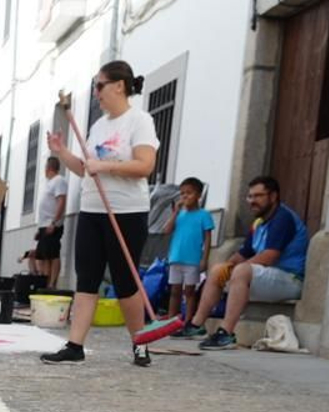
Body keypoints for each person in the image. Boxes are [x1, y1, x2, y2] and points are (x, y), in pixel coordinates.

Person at [41, 61, 159, 366]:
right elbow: (84, 169)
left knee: (125, 282)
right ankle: (75, 345)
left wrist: (105, 166)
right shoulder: (98, 126)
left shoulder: (139, 121)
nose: (95, 93)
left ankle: (140, 343)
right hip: (92, 210)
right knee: (87, 277)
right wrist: (61, 152)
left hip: (127, 211)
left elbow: (145, 165)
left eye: (99, 85)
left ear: (119, 86)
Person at [189, 175, 309, 351]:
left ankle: (226, 334)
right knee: (217, 270)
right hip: (266, 278)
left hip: (290, 280)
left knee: (242, 271)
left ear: (273, 196)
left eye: (258, 196)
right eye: (250, 196)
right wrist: (227, 267)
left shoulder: (283, 218)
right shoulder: (259, 222)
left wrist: (236, 270)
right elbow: (243, 253)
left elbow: (269, 256)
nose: (252, 201)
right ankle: (196, 326)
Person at [158, 177, 215, 330]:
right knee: (174, 291)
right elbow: (166, 230)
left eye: (189, 193)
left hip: (193, 260)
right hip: (176, 258)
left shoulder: (204, 215)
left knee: (189, 291)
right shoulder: (180, 215)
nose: (184, 197)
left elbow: (208, 239)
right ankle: (171, 320)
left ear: (198, 195)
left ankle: (188, 321)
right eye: (182, 193)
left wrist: (205, 259)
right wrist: (175, 212)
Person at [33, 156, 68, 288]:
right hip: (44, 225)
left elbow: (61, 202)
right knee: (44, 255)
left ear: (48, 168)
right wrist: (39, 228)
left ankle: (52, 283)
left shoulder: (59, 181)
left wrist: (54, 222)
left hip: (52, 225)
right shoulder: (50, 183)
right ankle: (46, 283)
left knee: (53, 254)